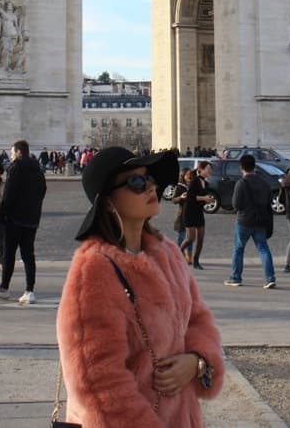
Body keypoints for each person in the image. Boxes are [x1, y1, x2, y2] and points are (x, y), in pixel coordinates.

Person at [56, 146, 224, 427]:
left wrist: (197, 361)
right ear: (108, 202)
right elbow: (98, 384)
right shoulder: (93, 271)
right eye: (136, 182)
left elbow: (199, 319)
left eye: (151, 179)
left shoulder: (168, 252)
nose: (150, 187)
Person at [0, 139, 46, 304]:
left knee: (9, 254)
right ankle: (29, 290)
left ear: (18, 153)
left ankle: (4, 288)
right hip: (32, 220)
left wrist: (1, 213)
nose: (11, 157)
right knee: (28, 255)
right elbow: (42, 191)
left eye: (12, 153)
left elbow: (9, 193)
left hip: (15, 219)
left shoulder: (16, 166)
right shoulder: (38, 168)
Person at [224, 154, 276, 289]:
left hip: (244, 220)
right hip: (260, 220)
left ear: (241, 168)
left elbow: (236, 204)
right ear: (255, 166)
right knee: (263, 249)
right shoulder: (264, 182)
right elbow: (269, 201)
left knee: (238, 249)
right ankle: (270, 278)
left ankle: (236, 277)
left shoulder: (241, 183)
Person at [179, 161, 213, 269]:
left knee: (201, 237)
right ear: (201, 169)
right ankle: (179, 252)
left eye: (210, 169)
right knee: (191, 238)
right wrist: (203, 198)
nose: (209, 171)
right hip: (189, 211)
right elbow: (190, 197)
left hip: (198, 212)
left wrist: (208, 200)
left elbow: (202, 198)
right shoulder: (195, 181)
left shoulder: (206, 183)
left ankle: (196, 260)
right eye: (208, 169)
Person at [172, 168, 194, 263]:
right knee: (181, 236)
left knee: (191, 237)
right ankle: (180, 255)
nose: (189, 176)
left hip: (192, 214)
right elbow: (173, 200)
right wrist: (181, 197)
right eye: (187, 174)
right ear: (183, 176)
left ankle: (189, 255)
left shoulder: (193, 185)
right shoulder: (179, 187)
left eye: (190, 174)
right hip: (182, 216)